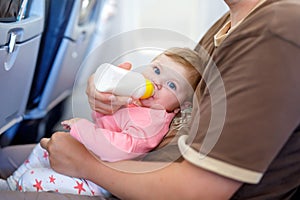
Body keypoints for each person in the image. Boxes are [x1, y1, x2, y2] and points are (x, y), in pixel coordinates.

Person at [0, 0, 300, 199]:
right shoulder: (229, 24)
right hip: (135, 170)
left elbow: (197, 192)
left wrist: (85, 164)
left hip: (135, 185)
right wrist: (113, 101)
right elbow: (182, 122)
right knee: (6, 158)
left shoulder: (275, 29)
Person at [0, 47, 203, 196]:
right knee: (40, 151)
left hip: (99, 181)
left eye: (171, 85)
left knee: (32, 178)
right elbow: (107, 121)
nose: (157, 83)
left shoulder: (154, 121)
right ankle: (10, 184)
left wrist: (83, 129)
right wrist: (108, 99)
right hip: (88, 154)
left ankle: (17, 184)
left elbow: (121, 149)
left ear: (180, 106)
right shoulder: (137, 100)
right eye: (156, 70)